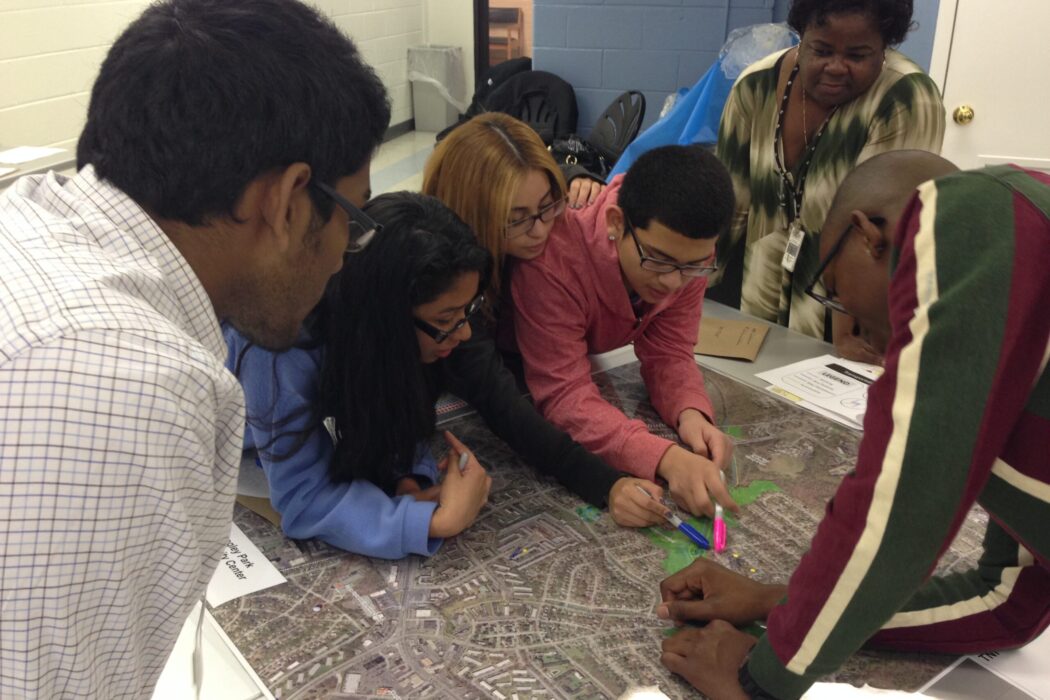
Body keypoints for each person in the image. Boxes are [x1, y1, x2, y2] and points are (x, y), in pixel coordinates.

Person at [0, 0, 390, 696]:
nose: (341, 260)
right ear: (289, 200)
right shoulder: (120, 383)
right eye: (351, 223)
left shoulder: (32, 221)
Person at [657, 151, 1050, 700]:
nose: (851, 318)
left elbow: (903, 503)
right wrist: (780, 604)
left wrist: (761, 680)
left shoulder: (972, 213)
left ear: (868, 236)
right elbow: (1006, 602)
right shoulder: (1016, 346)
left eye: (835, 288)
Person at [226, 193, 670, 559]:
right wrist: (436, 520)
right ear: (386, 319)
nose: (462, 333)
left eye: (469, 311)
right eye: (448, 318)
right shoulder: (277, 346)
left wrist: (410, 478)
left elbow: (391, 400)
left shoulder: (406, 330)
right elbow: (301, 497)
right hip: (221, 438)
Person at [709, 0, 945, 363]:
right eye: (820, 50)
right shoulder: (755, 86)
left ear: (885, 46)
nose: (836, 67)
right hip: (756, 292)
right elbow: (728, 203)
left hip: (848, 314)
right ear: (801, 37)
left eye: (858, 54)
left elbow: (880, 232)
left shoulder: (905, 99)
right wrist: (690, 293)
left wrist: (847, 331)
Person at [512, 144, 740, 518]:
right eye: (657, 260)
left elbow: (669, 351)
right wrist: (664, 457)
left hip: (569, 356)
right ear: (616, 223)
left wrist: (691, 414)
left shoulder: (686, 257)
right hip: (500, 362)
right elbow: (564, 393)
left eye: (694, 266)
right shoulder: (551, 259)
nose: (672, 282)